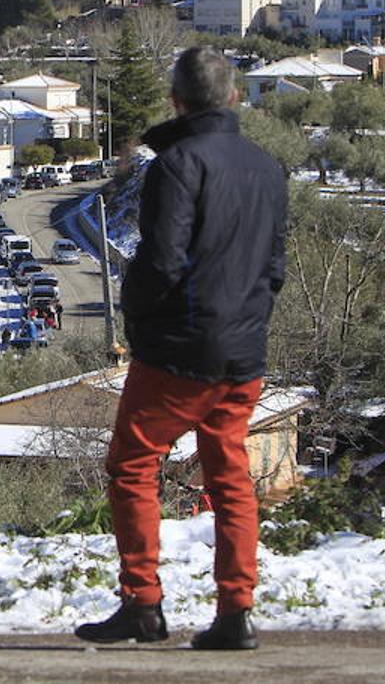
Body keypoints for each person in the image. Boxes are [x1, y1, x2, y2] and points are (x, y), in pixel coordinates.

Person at [75, 46, 287, 651]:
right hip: (244, 351)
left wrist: (139, 324)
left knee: (133, 467)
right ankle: (235, 613)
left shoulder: (176, 164)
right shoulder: (267, 167)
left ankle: (143, 604)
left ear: (176, 101)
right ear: (235, 98)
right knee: (230, 478)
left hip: (179, 350)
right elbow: (273, 269)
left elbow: (159, 261)